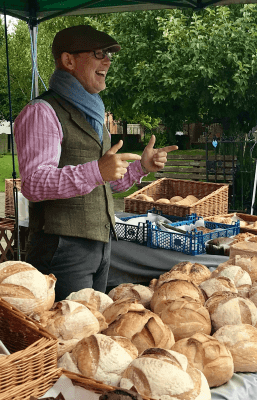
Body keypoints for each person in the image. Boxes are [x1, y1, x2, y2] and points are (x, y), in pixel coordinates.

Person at [14, 25, 177, 301]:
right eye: (99, 53)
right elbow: (34, 183)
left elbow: (101, 185)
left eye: (109, 55)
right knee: (67, 336)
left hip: (99, 246)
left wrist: (141, 167)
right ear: (68, 60)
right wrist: (96, 170)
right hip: (61, 247)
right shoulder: (42, 111)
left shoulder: (92, 112)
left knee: (91, 329)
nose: (108, 61)